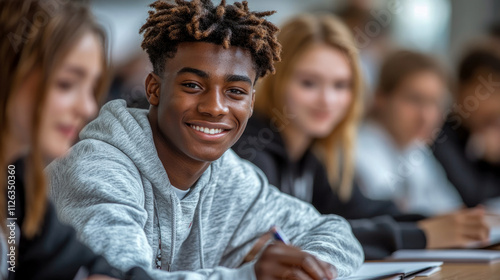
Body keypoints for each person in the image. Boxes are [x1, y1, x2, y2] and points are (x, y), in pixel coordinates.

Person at [47, 0, 364, 279]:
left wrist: (304, 271)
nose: (215, 107)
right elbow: (121, 277)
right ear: (154, 89)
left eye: (235, 92)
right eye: (192, 86)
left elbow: (335, 234)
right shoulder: (99, 169)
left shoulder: (231, 175)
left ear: (251, 102)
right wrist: (249, 277)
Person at [233, 14, 490, 259]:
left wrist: (433, 221)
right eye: (309, 83)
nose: (327, 100)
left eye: (340, 85)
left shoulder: (311, 154)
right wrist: (421, 235)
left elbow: (359, 211)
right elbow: (295, 237)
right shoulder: (252, 152)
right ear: (274, 79)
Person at [0, 0, 150, 279]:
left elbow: (78, 266)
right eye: (66, 84)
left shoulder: (16, 180)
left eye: (92, 87)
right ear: (8, 71)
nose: (88, 108)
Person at [355, 50, 464, 216]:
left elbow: (453, 210)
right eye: (415, 99)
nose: (426, 116)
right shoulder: (357, 153)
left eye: (436, 103)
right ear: (381, 98)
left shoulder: (416, 149)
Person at [432, 43, 500, 208]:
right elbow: (473, 197)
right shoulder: (440, 133)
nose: (495, 104)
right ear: (460, 89)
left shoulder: (476, 135)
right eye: (487, 92)